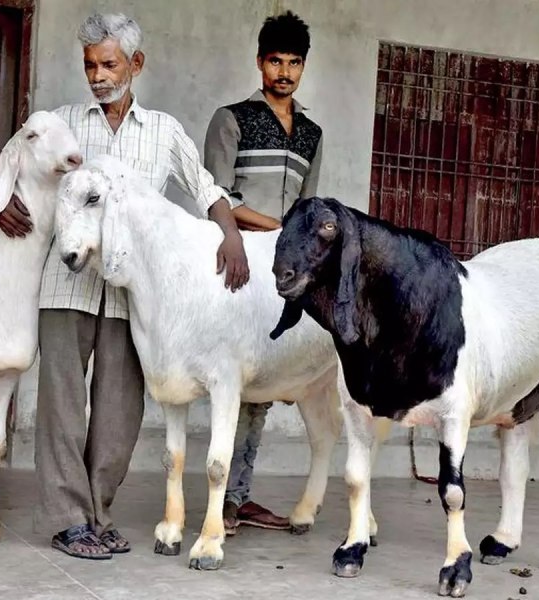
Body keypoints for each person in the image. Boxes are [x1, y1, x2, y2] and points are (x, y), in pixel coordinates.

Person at [0, 13, 249, 560]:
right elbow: (15, 161)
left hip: (133, 293)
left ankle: (98, 513)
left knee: (119, 411)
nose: (98, 75)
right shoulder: (64, 121)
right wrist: (0, 203)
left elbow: (205, 187)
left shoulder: (163, 131)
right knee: (62, 405)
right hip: (66, 282)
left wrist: (230, 235)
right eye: (90, 65)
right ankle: (67, 520)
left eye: (108, 64)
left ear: (136, 64)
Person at [203, 10, 323, 536]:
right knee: (231, 378)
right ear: (259, 62)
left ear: (303, 67)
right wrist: (278, 228)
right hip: (238, 263)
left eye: (294, 63)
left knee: (265, 383)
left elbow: (309, 206)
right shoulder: (231, 119)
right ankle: (221, 499)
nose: (284, 72)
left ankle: (238, 497)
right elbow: (216, 196)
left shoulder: (312, 133)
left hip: (284, 273)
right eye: (276, 61)